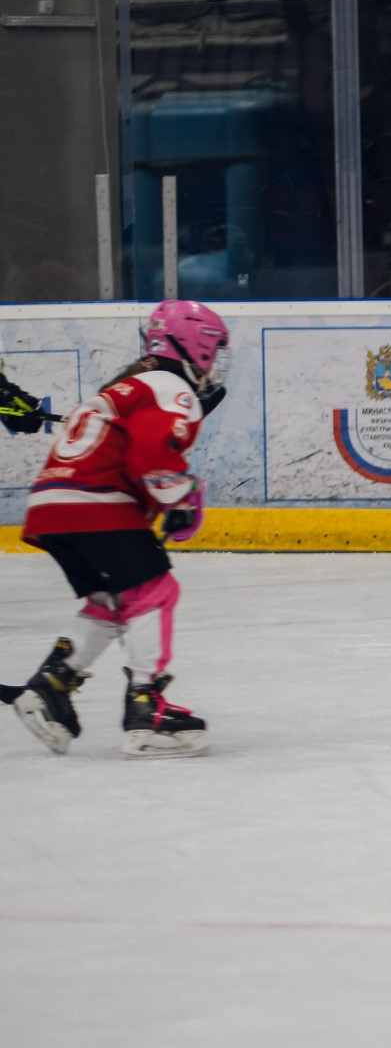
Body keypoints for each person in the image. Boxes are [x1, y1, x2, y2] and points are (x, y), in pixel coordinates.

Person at [3, 299, 229, 758]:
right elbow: (149, 453)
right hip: (95, 503)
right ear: (197, 346)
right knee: (155, 592)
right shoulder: (171, 386)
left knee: (113, 599)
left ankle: (50, 685)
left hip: (51, 505)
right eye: (215, 350)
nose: (216, 362)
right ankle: (146, 704)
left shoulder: (130, 384)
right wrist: (180, 498)